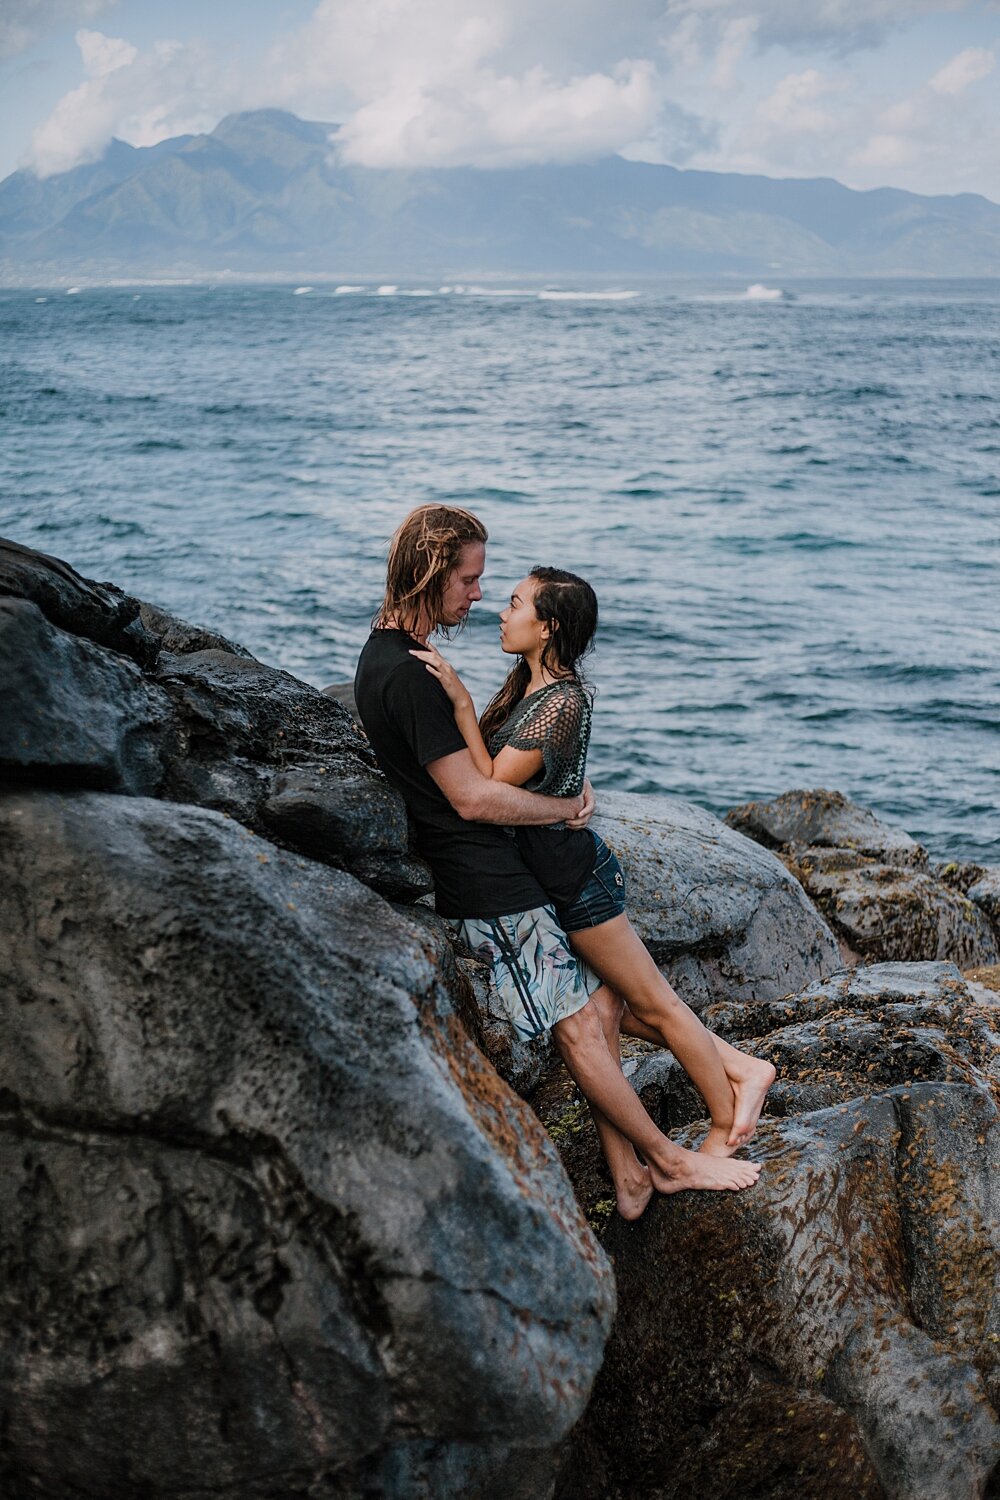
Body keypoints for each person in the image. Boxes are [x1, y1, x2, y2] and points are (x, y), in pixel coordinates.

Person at [355, 504, 760, 1216]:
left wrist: (562, 785)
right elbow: (477, 799)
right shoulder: (411, 675)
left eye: (492, 588)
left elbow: (519, 761)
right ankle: (667, 1161)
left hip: (512, 870)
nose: (478, 597)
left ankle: (633, 1173)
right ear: (430, 571)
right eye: (471, 581)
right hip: (483, 880)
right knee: (579, 1026)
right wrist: (561, 807)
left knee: (603, 1004)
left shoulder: (410, 659)